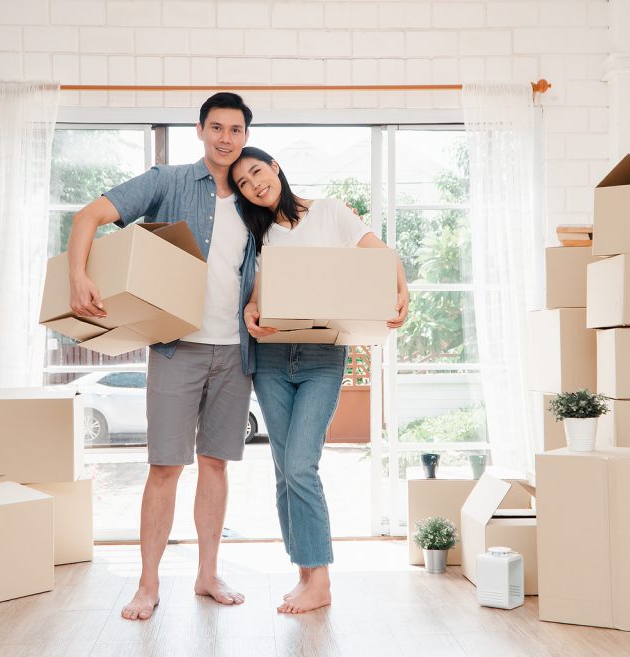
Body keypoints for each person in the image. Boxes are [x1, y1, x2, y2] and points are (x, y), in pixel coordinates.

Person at [67, 93, 257, 621]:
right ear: (200, 130)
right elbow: (90, 216)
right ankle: (147, 584)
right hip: (177, 348)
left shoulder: (254, 195)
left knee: (216, 465)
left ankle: (207, 574)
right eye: (216, 127)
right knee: (165, 468)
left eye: (235, 129)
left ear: (245, 135)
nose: (226, 138)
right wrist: (78, 275)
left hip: (235, 353)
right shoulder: (167, 181)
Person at [229, 147, 409, 614]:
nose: (254, 185)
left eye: (256, 173)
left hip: (323, 355)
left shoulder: (329, 212)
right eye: (244, 184)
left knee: (301, 465)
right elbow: (256, 296)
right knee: (283, 469)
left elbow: (382, 256)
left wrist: (402, 288)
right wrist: (251, 311)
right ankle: (305, 572)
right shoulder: (259, 231)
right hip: (271, 356)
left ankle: (321, 579)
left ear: (276, 168)